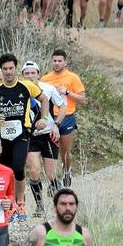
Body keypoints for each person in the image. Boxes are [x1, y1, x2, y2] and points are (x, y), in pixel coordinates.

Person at [0, 53, 49, 220]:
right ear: (1, 70)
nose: (8, 72)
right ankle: (9, 205)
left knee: (19, 168)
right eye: (5, 69)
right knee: (6, 171)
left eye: (11, 68)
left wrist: (44, 118)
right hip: (2, 136)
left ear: (15, 69)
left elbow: (44, 99)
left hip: (22, 133)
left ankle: (20, 204)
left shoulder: (27, 86)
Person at [20, 62, 64, 218]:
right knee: (34, 171)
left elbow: (62, 105)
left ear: (38, 74)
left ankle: (58, 194)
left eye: (33, 73)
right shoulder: (19, 90)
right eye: (27, 73)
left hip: (48, 134)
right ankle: (39, 206)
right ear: (23, 75)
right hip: (30, 136)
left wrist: (56, 125)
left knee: (51, 174)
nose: (30, 76)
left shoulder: (48, 88)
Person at [40, 49, 86, 188]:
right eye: (54, 60)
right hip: (49, 117)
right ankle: (53, 181)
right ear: (51, 62)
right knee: (50, 151)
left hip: (67, 116)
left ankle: (66, 172)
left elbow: (83, 99)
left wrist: (66, 92)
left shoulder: (72, 77)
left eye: (60, 61)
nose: (57, 63)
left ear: (65, 62)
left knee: (65, 151)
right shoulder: (45, 79)